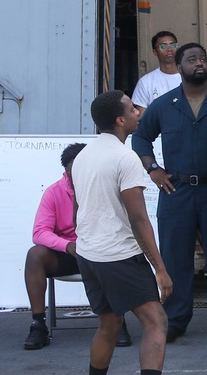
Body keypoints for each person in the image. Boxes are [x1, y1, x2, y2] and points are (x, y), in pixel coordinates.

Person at [72, 90, 192, 375]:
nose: (139, 110)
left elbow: (78, 208)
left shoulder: (84, 155)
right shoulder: (125, 159)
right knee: (157, 322)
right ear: (121, 120)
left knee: (108, 323)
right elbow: (139, 219)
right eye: (132, 108)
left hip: (89, 252)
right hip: (117, 254)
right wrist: (161, 269)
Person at [132, 43, 207, 343]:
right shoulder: (164, 104)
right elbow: (141, 137)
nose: (199, 63)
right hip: (177, 192)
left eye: (203, 58)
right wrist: (153, 169)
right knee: (175, 259)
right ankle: (175, 320)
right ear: (180, 67)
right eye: (192, 59)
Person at [23, 143, 129, 349]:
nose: (79, 174)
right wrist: (67, 245)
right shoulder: (53, 193)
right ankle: (38, 324)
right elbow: (39, 232)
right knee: (35, 255)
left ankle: (117, 321)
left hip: (99, 252)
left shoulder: (105, 189)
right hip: (68, 254)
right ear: (66, 171)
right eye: (74, 170)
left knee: (116, 253)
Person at [133, 31, 182, 114]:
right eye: (163, 46)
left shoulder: (189, 78)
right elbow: (142, 120)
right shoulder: (145, 82)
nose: (169, 49)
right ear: (155, 52)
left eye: (173, 45)